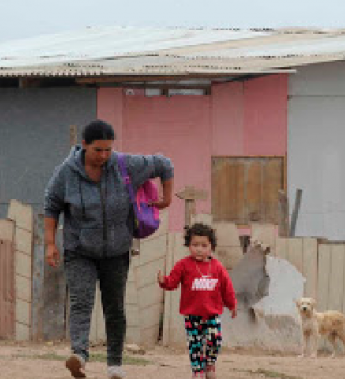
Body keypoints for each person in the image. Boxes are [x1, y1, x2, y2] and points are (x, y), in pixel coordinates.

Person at [44, 119, 174, 379]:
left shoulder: (125, 165)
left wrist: (167, 197)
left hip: (116, 250)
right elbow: (51, 205)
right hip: (79, 250)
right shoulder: (66, 172)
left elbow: (164, 164)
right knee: (81, 302)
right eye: (97, 150)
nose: (103, 155)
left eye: (108, 150)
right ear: (84, 146)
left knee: (114, 307)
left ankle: (115, 364)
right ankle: (79, 355)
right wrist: (50, 243)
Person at [158, 223, 237, 379]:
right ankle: (197, 371)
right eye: (195, 245)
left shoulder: (217, 267)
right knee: (195, 345)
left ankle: (210, 364)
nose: (199, 249)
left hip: (212, 313)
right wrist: (163, 281)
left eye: (203, 245)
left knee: (215, 340)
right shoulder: (183, 265)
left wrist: (232, 304)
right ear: (189, 245)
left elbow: (227, 287)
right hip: (191, 314)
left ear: (211, 247)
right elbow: (172, 283)